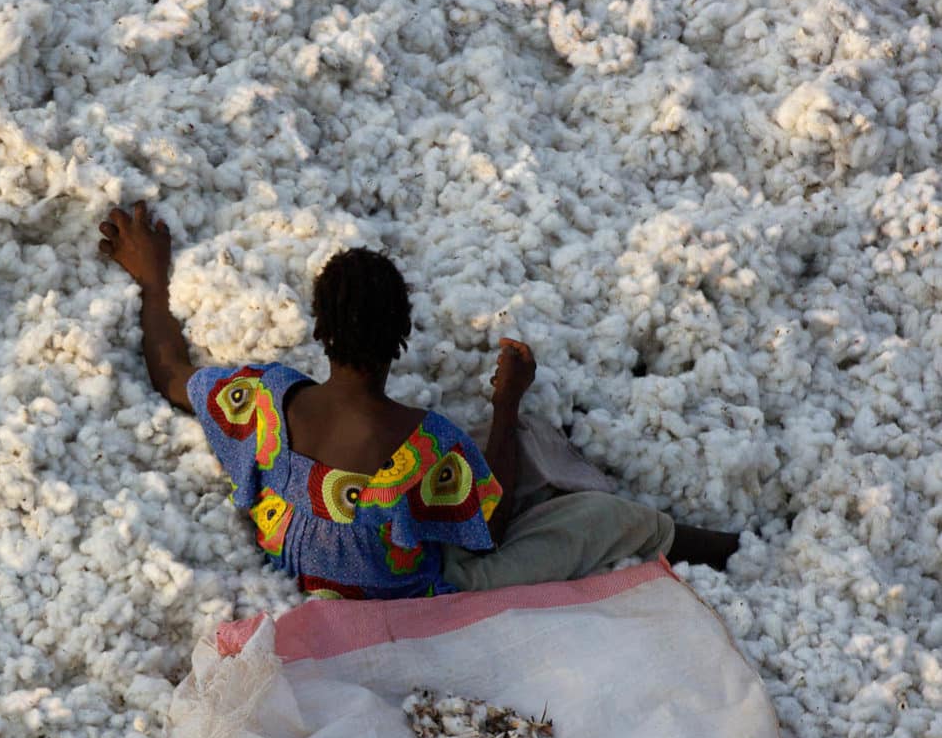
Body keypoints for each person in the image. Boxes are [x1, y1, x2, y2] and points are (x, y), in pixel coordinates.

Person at [97, 201, 740, 600]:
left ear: (319, 326)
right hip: (417, 594)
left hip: (303, 573)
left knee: (505, 458)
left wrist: (154, 284)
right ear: (402, 336)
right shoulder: (427, 445)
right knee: (599, 517)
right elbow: (485, 535)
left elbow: (172, 374)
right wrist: (507, 406)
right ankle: (724, 550)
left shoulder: (262, 402)